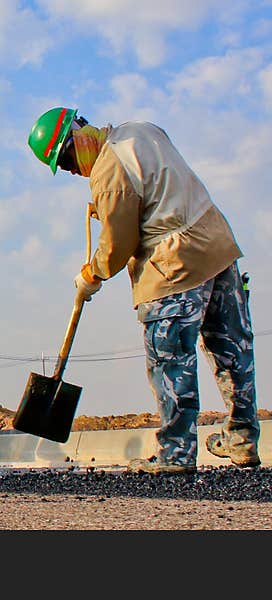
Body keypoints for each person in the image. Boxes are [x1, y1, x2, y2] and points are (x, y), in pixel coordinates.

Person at [28, 107, 260, 473]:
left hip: (175, 264)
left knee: (171, 364)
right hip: (217, 246)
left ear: (79, 133)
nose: (73, 170)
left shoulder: (108, 172)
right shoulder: (141, 130)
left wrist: (93, 274)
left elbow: (120, 242)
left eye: (68, 159)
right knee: (233, 352)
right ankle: (243, 439)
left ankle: (176, 454)